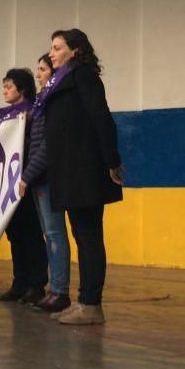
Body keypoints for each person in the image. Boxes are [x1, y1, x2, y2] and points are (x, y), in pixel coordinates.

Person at [43, 28, 124, 325]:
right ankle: (83, 300)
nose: (51, 53)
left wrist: (112, 161)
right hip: (69, 170)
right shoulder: (61, 81)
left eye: (57, 47)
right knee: (81, 235)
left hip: (86, 170)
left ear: (75, 50)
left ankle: (91, 304)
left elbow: (101, 117)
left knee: (89, 237)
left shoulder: (83, 76)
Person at [18, 54, 73, 313]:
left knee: (54, 234)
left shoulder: (51, 101)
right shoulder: (40, 102)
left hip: (47, 177)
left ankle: (60, 290)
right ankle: (54, 288)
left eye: (42, 69)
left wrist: (27, 175)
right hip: (39, 177)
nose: (38, 74)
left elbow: (46, 145)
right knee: (48, 234)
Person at [0, 68, 49, 305]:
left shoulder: (33, 114)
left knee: (31, 233)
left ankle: (37, 284)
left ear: (22, 89)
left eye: (9, 86)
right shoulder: (7, 117)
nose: (5, 91)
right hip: (9, 183)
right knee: (14, 232)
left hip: (27, 180)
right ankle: (20, 281)